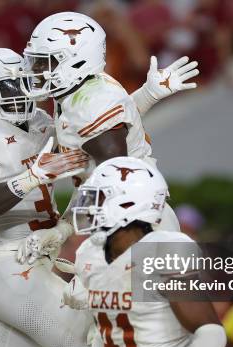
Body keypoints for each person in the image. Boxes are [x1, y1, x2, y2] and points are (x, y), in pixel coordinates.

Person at [0, 46, 190, 347]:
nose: (16, 94)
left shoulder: (43, 123)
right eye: (4, 88)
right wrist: (29, 179)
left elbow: (99, 128)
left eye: (20, 83)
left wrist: (147, 96)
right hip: (9, 265)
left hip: (30, 265)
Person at [17, 11, 199, 266]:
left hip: (137, 227)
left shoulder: (90, 104)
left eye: (44, 62)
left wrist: (68, 231)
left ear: (76, 62)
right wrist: (147, 95)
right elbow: (91, 181)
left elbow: (115, 187)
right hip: (126, 222)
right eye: (35, 61)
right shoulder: (81, 92)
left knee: (156, 306)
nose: (35, 71)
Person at [65, 157, 226, 347]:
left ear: (129, 202)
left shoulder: (164, 248)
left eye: (99, 198)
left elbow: (212, 332)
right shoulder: (91, 254)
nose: (88, 206)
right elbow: (108, 332)